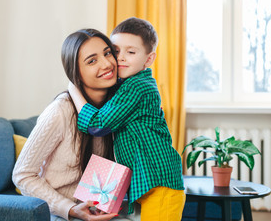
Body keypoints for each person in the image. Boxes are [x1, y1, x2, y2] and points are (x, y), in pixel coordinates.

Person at [68, 17, 185, 221]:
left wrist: (73, 89)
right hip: (154, 182)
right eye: (115, 51)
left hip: (161, 184)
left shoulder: (135, 87)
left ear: (148, 59)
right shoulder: (127, 85)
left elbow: (98, 124)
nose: (120, 58)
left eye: (131, 52)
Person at [13, 29, 130, 221]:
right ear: (75, 72)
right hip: (61, 212)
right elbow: (22, 175)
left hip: (97, 210)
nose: (107, 63)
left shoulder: (117, 107)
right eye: (92, 60)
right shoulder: (60, 111)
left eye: (108, 53)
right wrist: (70, 209)